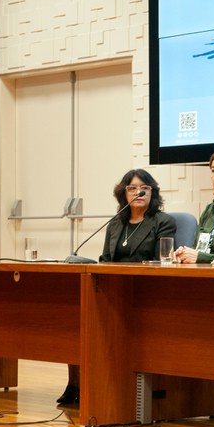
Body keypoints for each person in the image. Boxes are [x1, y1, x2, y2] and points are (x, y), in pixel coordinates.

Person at [58, 169, 176, 405]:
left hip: (143, 291)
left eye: (145, 188)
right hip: (113, 288)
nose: (139, 192)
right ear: (124, 193)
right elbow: (105, 258)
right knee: (78, 318)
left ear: (153, 192)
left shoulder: (163, 222)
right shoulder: (115, 223)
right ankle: (75, 383)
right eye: (132, 188)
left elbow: (162, 263)